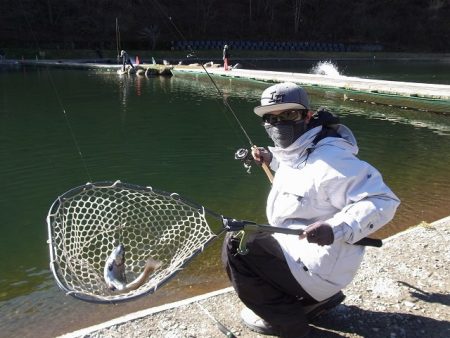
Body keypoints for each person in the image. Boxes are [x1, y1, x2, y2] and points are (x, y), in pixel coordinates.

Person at [222, 82, 400, 338]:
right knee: (251, 238)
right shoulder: (302, 149)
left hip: (320, 268)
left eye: (289, 115)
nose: (279, 123)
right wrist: (270, 159)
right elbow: (303, 173)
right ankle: (309, 301)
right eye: (271, 118)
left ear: (307, 115)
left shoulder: (331, 159)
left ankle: (288, 323)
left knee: (237, 245)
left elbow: (383, 200)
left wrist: (335, 227)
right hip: (310, 259)